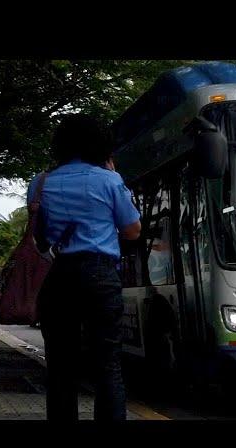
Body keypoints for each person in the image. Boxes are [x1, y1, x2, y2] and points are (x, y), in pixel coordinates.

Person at [28, 113, 141, 421]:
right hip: (100, 276)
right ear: (100, 144)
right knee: (107, 367)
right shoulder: (108, 179)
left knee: (61, 369)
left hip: (57, 276)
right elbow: (132, 231)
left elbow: (38, 240)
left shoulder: (40, 183)